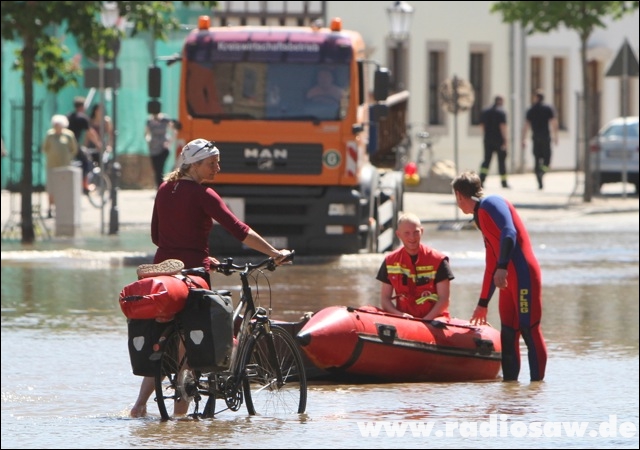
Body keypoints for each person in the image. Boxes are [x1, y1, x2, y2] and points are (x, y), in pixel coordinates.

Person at [130, 138, 291, 418]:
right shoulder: (204, 194)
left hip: (164, 274)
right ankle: (181, 417)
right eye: (212, 163)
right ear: (194, 165)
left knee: (167, 338)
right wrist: (274, 252)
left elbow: (157, 236)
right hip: (193, 274)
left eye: (217, 161)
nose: (218, 167)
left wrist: (197, 252)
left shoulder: (165, 188)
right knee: (194, 342)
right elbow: (239, 229)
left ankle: (139, 405)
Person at [451, 170, 547, 382]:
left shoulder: (491, 203)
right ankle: (510, 392)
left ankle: (537, 391)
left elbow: (509, 232)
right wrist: (483, 303)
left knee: (528, 329)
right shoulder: (480, 215)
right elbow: (491, 263)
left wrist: (503, 266)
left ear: (459, 195)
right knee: (509, 333)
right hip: (507, 281)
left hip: (523, 275)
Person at [376, 212, 453, 321]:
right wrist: (399, 315)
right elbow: (385, 299)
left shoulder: (438, 260)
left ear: (422, 231)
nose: (412, 237)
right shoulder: (390, 261)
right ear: (398, 235)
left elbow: (444, 299)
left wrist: (426, 321)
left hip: (434, 320)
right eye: (407, 233)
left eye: (416, 232)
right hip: (404, 320)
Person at [42, 115, 79, 218]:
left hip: (64, 166)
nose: (56, 126)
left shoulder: (69, 135)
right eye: (55, 125)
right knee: (51, 189)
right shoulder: (50, 135)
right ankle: (50, 208)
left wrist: (68, 157)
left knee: (63, 189)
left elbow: (74, 149)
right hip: (52, 166)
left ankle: (62, 209)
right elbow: (45, 148)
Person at [521, 89, 558, 190]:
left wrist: (523, 139)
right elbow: (554, 123)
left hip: (536, 137)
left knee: (537, 158)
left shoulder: (531, 109)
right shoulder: (548, 108)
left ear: (536, 98)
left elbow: (526, 126)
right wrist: (556, 136)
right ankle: (542, 172)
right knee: (547, 158)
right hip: (545, 136)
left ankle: (539, 176)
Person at [66, 96, 97, 192]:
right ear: (83, 106)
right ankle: (84, 184)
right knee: (86, 161)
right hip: (74, 144)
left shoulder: (69, 116)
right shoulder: (83, 118)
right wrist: (98, 144)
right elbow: (90, 133)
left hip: (65, 144)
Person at [479, 95, 510, 188]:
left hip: (488, 139)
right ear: (500, 101)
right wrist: (505, 140)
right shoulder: (501, 112)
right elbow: (503, 127)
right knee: (501, 161)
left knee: (486, 160)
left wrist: (486, 135)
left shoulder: (485, 111)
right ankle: (503, 182)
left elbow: (482, 126)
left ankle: (481, 180)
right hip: (499, 139)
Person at [145, 111, 177, 189]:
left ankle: (162, 187)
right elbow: (146, 133)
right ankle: (159, 187)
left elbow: (174, 130)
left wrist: (169, 142)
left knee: (160, 169)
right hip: (153, 149)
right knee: (156, 170)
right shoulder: (149, 121)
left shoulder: (165, 119)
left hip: (163, 149)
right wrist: (149, 141)